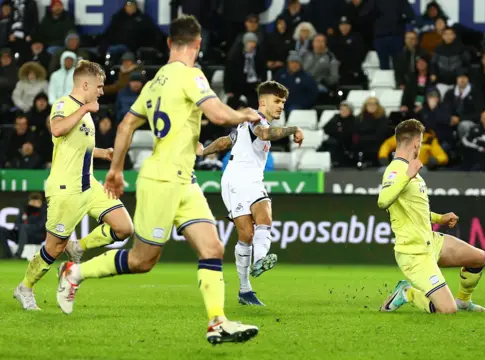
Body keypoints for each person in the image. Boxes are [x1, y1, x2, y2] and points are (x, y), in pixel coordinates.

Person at [55, 15, 262, 345]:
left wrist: (116, 169)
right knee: (142, 261)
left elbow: (125, 126)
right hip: (162, 180)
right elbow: (220, 115)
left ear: (169, 43)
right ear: (197, 44)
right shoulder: (191, 76)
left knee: (212, 246)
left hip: (185, 180)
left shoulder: (154, 83)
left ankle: (217, 322)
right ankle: (75, 272)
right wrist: (246, 115)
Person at [13, 60, 134, 311]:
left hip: (89, 185)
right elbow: (57, 129)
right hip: (65, 189)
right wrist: (85, 109)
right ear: (85, 84)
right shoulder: (63, 104)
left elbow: (80, 147)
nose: (102, 91)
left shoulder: (85, 113)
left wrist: (103, 153)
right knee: (54, 248)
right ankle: (25, 287)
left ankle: (78, 247)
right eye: (99, 86)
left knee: (124, 227)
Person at [201, 81, 304, 306]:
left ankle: (259, 261)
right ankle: (245, 289)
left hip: (253, 179)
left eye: (283, 103)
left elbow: (226, 141)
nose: (281, 106)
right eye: (277, 101)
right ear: (262, 102)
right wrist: (293, 129)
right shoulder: (256, 120)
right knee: (246, 234)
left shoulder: (246, 123)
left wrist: (204, 149)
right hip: (235, 179)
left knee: (265, 215)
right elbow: (265, 134)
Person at [377, 119, 485, 314]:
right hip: (413, 253)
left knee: (478, 258)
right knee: (447, 310)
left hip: (431, 242)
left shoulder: (411, 169)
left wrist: (440, 218)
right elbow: (383, 200)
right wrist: (407, 176)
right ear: (416, 143)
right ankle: (406, 293)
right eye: (420, 142)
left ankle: (464, 301)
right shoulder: (396, 170)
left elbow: (415, 211)